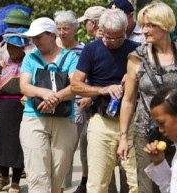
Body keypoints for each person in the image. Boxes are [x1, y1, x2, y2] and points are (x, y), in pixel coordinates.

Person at [118, 1, 177, 193]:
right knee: (147, 188)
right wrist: (123, 137)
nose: (144, 30)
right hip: (146, 133)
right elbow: (129, 100)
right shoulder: (135, 57)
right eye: (143, 25)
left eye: (150, 25)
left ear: (164, 25)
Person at [71, 9, 140, 193]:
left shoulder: (135, 49)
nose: (115, 42)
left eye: (120, 37)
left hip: (132, 122)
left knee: (136, 182)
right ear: (100, 30)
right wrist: (102, 90)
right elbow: (75, 85)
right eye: (110, 37)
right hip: (102, 122)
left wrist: (132, 76)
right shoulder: (91, 49)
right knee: (98, 182)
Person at [19, 17, 78, 193]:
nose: (34, 41)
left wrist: (56, 98)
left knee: (59, 170)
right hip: (34, 118)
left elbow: (75, 87)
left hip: (64, 119)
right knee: (37, 174)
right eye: (33, 38)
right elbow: (24, 86)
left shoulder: (70, 57)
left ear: (51, 35)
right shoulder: (30, 58)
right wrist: (44, 93)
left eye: (38, 37)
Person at [0, 8, 32, 180]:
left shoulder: (32, 47)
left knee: (20, 140)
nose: (10, 28)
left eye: (14, 25)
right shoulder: (3, 45)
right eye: (9, 25)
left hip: (24, 102)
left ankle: (21, 170)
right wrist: (3, 72)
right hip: (3, 101)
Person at [107, 1, 145, 192]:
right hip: (108, 107)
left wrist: (131, 75)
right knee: (107, 166)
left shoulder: (145, 34)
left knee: (130, 166)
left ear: (131, 16)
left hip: (136, 106)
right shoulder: (105, 33)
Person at [0, 28, 28, 193]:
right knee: (1, 144)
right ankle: (3, 177)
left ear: (22, 48)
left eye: (15, 47)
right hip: (3, 109)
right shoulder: (3, 64)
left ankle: (16, 181)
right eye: (9, 47)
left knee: (17, 145)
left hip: (21, 109)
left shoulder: (28, 63)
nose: (11, 50)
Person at [54, 10, 89, 193]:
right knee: (60, 149)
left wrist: (86, 96)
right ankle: (61, 185)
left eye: (66, 28)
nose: (62, 32)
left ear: (75, 29)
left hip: (76, 105)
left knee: (76, 145)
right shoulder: (53, 49)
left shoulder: (84, 50)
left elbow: (88, 78)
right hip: (54, 104)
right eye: (59, 28)